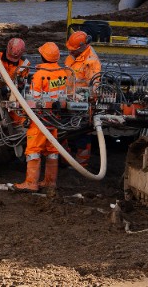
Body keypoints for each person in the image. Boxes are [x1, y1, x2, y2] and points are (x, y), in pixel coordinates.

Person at [15, 42, 70, 193]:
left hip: (40, 119)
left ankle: (31, 183)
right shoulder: (63, 73)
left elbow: (33, 101)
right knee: (52, 150)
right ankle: (50, 182)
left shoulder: (40, 75)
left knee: (33, 150)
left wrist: (24, 115)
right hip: (54, 119)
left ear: (42, 56)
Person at [65, 30, 102, 168]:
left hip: (82, 104)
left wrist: (84, 98)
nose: (70, 51)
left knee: (82, 133)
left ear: (81, 47)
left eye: (73, 50)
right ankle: (66, 159)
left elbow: (94, 87)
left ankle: (81, 164)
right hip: (68, 99)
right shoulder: (73, 56)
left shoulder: (91, 62)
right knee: (64, 131)